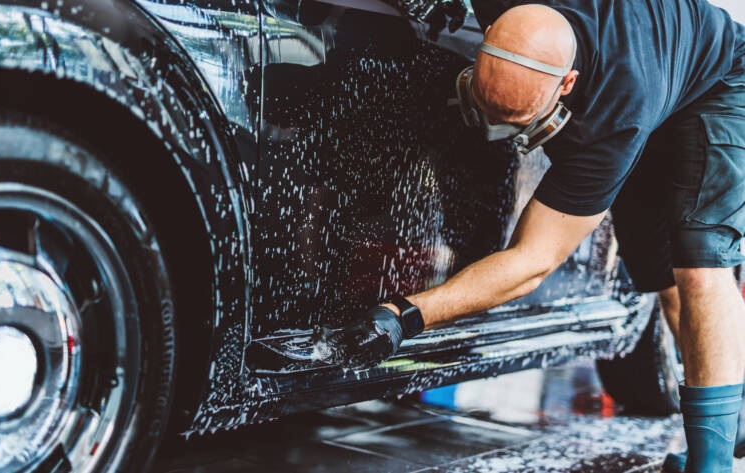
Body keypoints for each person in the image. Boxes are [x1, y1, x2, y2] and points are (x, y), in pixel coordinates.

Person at [318, 1, 745, 472]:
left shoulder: (613, 116)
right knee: (662, 277)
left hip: (718, 82)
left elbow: (531, 261)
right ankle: (736, 417)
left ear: (567, 84)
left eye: (517, 124)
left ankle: (713, 462)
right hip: (657, 71)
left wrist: (405, 316)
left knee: (701, 267)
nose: (494, 133)